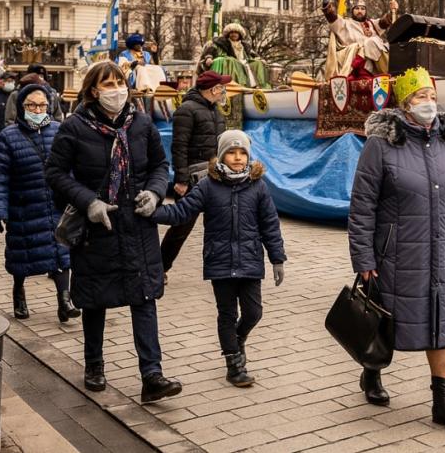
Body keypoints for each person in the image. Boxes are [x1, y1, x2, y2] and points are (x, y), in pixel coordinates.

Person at [45, 60, 181, 401]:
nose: (116, 90)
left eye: (120, 83)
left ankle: (152, 375)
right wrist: (88, 201)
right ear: (94, 91)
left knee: (145, 297)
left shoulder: (142, 123)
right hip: (98, 227)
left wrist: (154, 191)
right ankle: (94, 364)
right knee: (95, 300)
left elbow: (159, 165)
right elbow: (56, 173)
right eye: (108, 85)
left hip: (137, 225)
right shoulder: (75, 127)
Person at [348, 67, 445, 431]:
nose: (429, 104)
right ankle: (371, 371)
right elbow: (362, 207)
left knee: (442, 324)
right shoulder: (380, 145)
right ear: (404, 104)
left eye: (432, 96)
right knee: (382, 321)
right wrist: (364, 258)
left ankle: (443, 402)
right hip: (394, 256)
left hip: (439, 255)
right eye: (421, 97)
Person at [143, 130, 286, 387]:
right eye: (231, 152)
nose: (238, 157)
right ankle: (234, 364)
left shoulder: (258, 186)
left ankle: (237, 338)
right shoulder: (207, 185)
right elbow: (181, 212)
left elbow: (270, 224)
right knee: (227, 314)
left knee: (254, 312)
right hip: (219, 261)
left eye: (242, 152)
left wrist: (277, 258)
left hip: (250, 260)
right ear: (221, 155)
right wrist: (152, 212)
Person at [0, 84, 80, 323]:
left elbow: (72, 168)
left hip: (57, 204)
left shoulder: (59, 131)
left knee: (62, 254)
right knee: (22, 256)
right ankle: (18, 293)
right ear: (21, 107)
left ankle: (65, 301)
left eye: (42, 105)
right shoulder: (8, 137)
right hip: (24, 207)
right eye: (32, 105)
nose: (38, 109)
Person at [161, 70, 230, 282]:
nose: (224, 91)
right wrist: (180, 180)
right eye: (222, 87)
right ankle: (160, 267)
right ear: (213, 89)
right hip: (191, 179)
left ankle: (222, 268)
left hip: (215, 176)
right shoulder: (187, 110)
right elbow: (179, 146)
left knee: (221, 224)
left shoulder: (216, 111)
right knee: (182, 226)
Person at [313, 0, 398, 79]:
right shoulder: (345, 24)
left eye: (362, 9)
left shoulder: (371, 24)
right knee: (369, 43)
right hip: (353, 66)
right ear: (352, 11)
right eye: (357, 8)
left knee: (380, 43)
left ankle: (390, 72)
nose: (360, 11)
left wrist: (392, 11)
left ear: (366, 11)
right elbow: (331, 16)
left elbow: (385, 22)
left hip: (375, 68)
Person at [198, 23, 270, 89]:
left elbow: (253, 55)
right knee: (231, 60)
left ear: (240, 34)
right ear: (228, 34)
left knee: (258, 63)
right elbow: (211, 50)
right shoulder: (221, 42)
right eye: (231, 32)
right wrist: (208, 58)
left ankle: (257, 86)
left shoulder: (245, 45)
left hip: (244, 63)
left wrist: (260, 59)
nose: (234, 34)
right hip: (230, 64)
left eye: (236, 32)